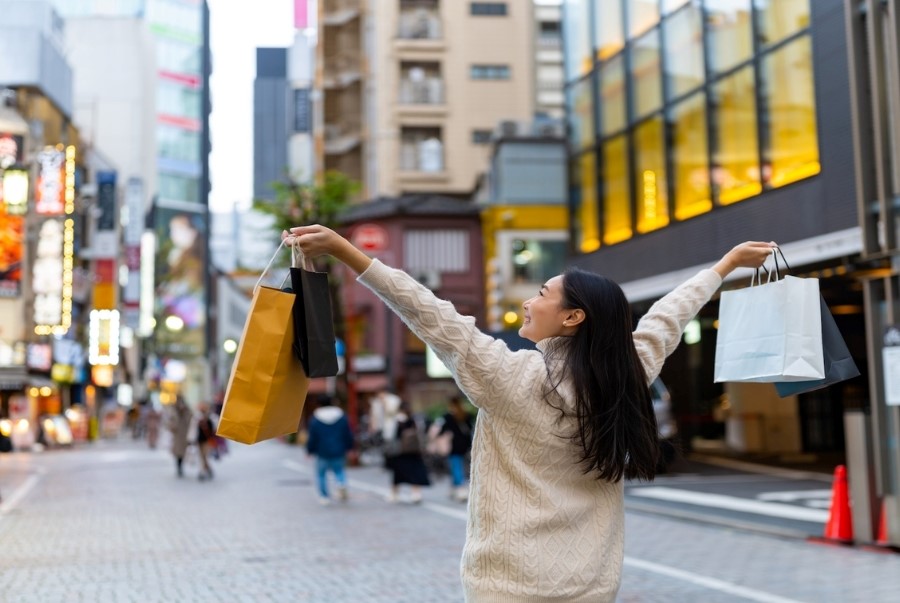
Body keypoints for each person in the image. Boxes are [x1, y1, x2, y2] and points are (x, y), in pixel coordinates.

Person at [283, 224, 773, 602]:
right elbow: (667, 319)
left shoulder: (509, 378)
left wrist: (348, 253)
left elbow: (430, 313)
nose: (528, 301)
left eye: (542, 293)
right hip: (591, 581)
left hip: (507, 584)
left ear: (572, 317)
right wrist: (724, 265)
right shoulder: (625, 375)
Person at [306, 394, 355, 505]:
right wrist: (350, 448)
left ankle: (324, 497)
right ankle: (341, 483)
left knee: (321, 474)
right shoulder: (342, 417)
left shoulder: (315, 419)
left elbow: (313, 437)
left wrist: (309, 450)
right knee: (339, 470)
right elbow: (347, 434)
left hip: (322, 450)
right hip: (339, 448)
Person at [383, 400, 431, 504]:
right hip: (413, 451)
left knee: (398, 473)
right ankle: (416, 493)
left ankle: (394, 493)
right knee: (415, 472)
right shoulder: (414, 419)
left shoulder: (396, 420)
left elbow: (391, 436)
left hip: (400, 451)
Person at [440, 396, 474, 502]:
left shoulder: (449, 416)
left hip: (454, 445)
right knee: (462, 466)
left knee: (456, 466)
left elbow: (442, 430)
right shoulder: (466, 415)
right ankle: (455, 488)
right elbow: (471, 428)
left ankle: (460, 489)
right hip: (466, 444)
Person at [167, 396, 192, 478]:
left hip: (184, 434)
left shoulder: (187, 411)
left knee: (183, 452)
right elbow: (170, 422)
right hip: (177, 435)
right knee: (177, 452)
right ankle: (179, 467)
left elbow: (190, 419)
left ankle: (180, 466)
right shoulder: (173, 411)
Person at [196, 403, 215, 481]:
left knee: (204, 456)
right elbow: (194, 430)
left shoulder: (210, 418)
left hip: (207, 441)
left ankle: (203, 472)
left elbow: (213, 429)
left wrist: (205, 425)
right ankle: (208, 470)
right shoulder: (197, 418)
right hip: (199, 440)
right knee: (202, 457)